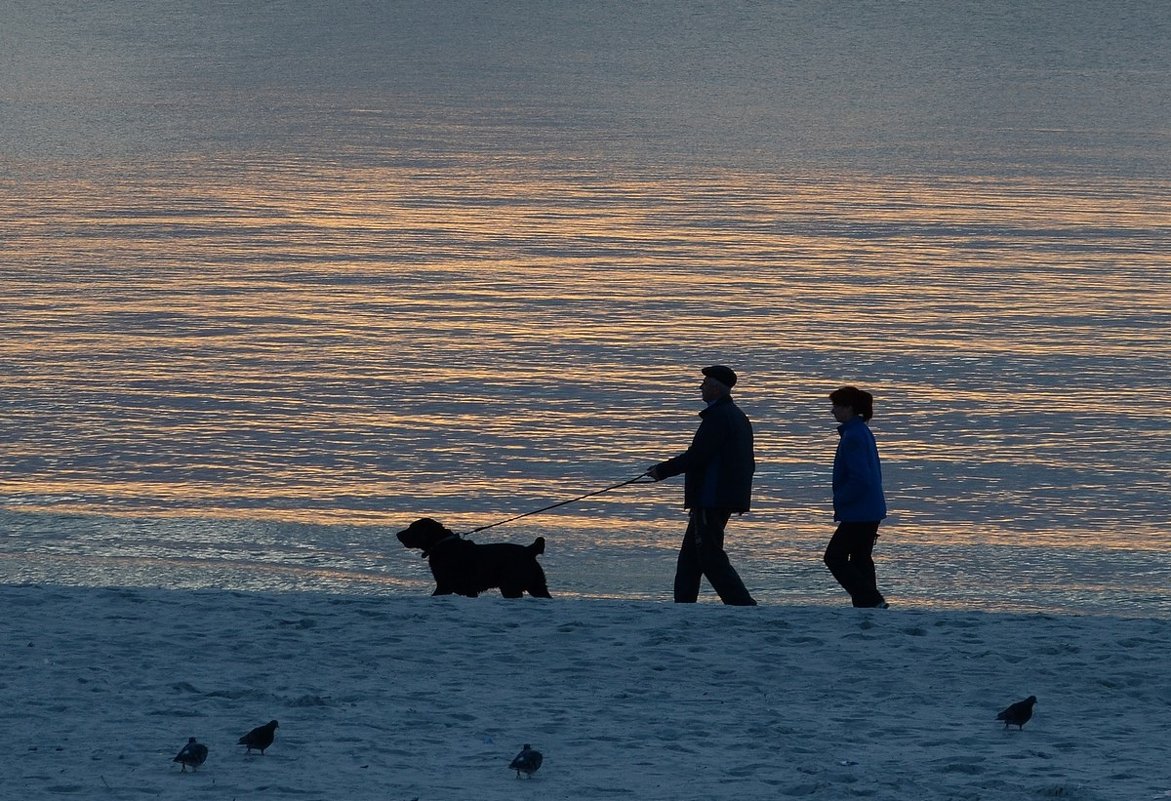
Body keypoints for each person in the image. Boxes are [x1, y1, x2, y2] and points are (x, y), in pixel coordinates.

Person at [646, 365, 757, 606]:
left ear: (716, 388)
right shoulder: (734, 416)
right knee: (690, 557)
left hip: (712, 496)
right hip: (718, 496)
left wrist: (662, 470)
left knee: (709, 555)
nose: (701, 387)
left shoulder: (719, 417)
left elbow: (699, 456)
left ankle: (741, 603)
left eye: (705, 384)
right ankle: (684, 605)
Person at [823, 385, 888, 608]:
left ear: (849, 408)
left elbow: (861, 478)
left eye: (836, 406)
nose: (833, 411)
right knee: (861, 557)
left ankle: (871, 599)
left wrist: (841, 499)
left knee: (834, 557)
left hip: (860, 510)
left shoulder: (852, 436)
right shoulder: (861, 432)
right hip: (870, 508)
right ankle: (867, 604)